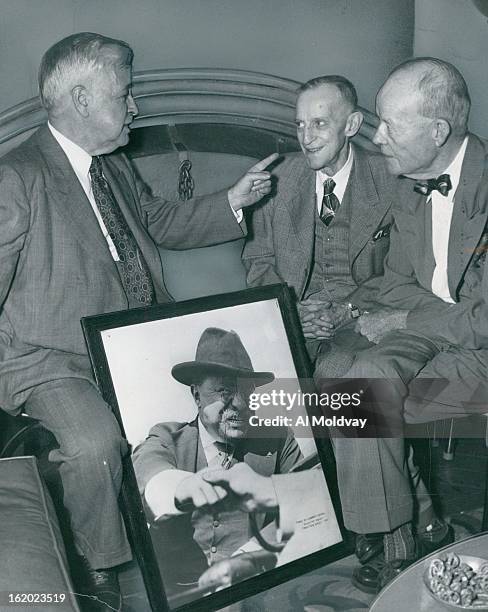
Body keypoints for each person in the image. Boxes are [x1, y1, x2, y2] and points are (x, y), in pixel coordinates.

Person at [0, 32, 277, 611]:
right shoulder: (16, 177)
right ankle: (101, 575)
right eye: (124, 94)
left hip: (130, 342)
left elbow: (158, 223)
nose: (136, 107)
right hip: (52, 359)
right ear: (80, 99)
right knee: (95, 443)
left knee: (217, 416)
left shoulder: (114, 165)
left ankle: (221, 547)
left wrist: (235, 200)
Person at [335, 57, 488, 593]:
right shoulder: (411, 180)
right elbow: (398, 280)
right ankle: (406, 527)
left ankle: (406, 529)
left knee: (369, 387)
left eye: (389, 125)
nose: (377, 138)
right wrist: (394, 313)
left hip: (482, 342)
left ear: (438, 131)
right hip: (440, 321)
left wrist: (406, 316)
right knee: (339, 368)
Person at [242, 75, 398, 380]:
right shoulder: (274, 177)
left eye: (320, 124)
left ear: (351, 125)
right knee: (250, 379)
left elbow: (401, 271)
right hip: (293, 316)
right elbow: (257, 261)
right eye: (300, 124)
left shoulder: (391, 178)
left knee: (332, 375)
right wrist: (291, 312)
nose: (306, 138)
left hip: (360, 318)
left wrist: (349, 309)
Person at [132, 327, 302, 597]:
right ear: (196, 395)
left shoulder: (278, 439)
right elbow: (149, 471)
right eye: (224, 392)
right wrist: (180, 487)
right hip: (183, 594)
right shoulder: (167, 437)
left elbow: (307, 506)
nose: (240, 404)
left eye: (247, 392)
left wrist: (254, 557)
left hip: (258, 582)